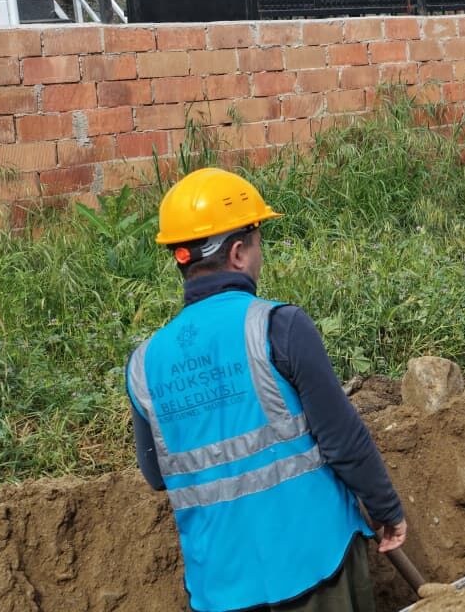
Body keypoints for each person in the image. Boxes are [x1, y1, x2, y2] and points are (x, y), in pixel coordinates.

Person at [126, 168, 407, 612]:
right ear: (239, 252)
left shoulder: (143, 364)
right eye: (259, 242)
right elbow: (342, 440)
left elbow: (156, 475)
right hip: (315, 570)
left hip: (219, 588)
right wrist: (387, 511)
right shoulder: (277, 326)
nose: (260, 254)